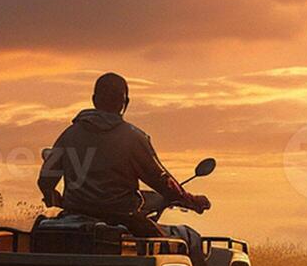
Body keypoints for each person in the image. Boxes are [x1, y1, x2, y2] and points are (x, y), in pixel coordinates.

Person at [37, 72, 210, 238]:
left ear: (94, 100)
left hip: (73, 222)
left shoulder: (69, 135)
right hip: (122, 220)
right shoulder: (132, 138)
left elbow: (45, 182)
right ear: (124, 102)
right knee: (185, 240)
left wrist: (56, 201)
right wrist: (192, 200)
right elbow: (164, 183)